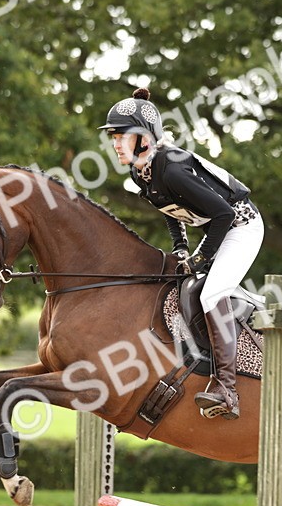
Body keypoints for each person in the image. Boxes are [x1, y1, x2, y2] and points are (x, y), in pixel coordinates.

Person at [99, 87, 264, 420]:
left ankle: (227, 390)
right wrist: (181, 248)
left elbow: (225, 215)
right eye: (114, 137)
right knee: (183, 286)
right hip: (218, 228)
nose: (115, 144)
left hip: (241, 226)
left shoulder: (172, 169)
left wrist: (201, 258)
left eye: (122, 136)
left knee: (210, 293)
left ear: (144, 138)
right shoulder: (141, 171)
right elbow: (170, 211)